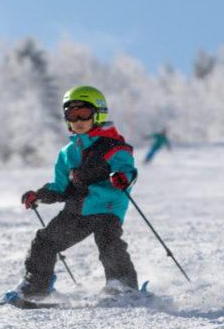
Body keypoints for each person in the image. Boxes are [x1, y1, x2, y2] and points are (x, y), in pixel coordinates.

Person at [17, 85, 139, 298]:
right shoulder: (67, 153)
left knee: (110, 245)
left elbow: (127, 170)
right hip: (76, 211)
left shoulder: (114, 146)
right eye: (72, 115)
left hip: (106, 207)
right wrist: (39, 195)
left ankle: (122, 286)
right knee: (45, 241)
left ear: (98, 114)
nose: (78, 120)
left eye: (84, 113)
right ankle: (36, 287)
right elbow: (60, 188)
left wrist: (122, 178)